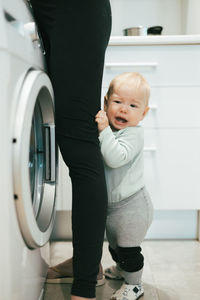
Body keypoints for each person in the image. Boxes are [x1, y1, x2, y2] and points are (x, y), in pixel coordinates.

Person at [30, 0, 112, 299]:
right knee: (72, 140)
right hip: (51, 12)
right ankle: (85, 265)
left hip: (73, 9)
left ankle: (85, 286)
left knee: (79, 145)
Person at [95, 72, 154, 300]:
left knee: (128, 249)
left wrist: (103, 131)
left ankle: (135, 284)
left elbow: (115, 158)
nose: (123, 109)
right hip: (114, 206)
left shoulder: (133, 134)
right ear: (106, 103)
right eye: (118, 102)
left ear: (143, 113)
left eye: (132, 105)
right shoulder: (114, 131)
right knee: (115, 246)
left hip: (133, 206)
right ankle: (122, 270)